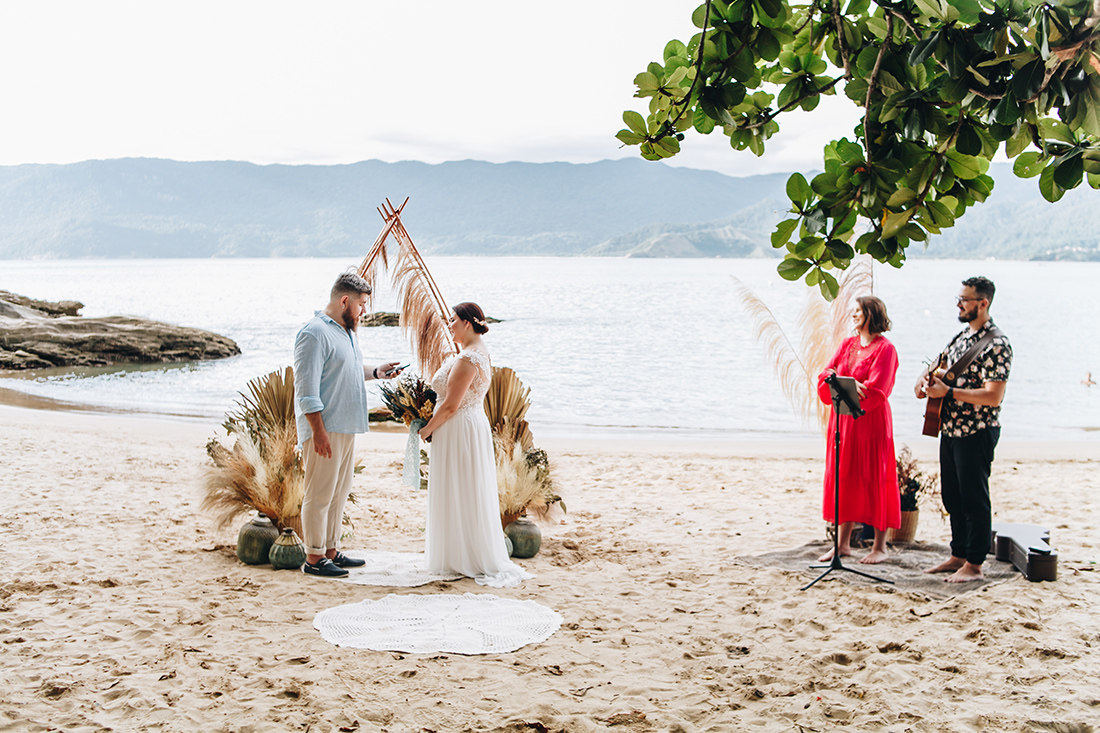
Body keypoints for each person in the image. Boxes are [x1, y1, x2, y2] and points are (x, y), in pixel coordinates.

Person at [294, 272, 402, 578]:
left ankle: (330, 550)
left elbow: (348, 371)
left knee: (339, 492)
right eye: (362, 304)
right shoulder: (313, 333)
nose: (364, 311)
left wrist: (377, 372)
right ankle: (314, 558)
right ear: (345, 301)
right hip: (325, 428)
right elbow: (306, 389)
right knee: (319, 494)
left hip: (347, 425)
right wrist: (318, 431)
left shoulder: (346, 332)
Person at [418, 302, 532, 588]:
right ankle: (459, 552)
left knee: (459, 488)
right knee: (463, 488)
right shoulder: (474, 352)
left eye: (453, 320)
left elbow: (450, 407)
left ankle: (463, 557)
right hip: (466, 426)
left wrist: (426, 430)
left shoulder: (469, 358)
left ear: (468, 323)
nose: (450, 325)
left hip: (458, 429)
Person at [916, 276, 1011, 583]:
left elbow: (993, 396)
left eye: (964, 299)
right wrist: (923, 380)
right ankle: (958, 553)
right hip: (951, 428)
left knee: (974, 498)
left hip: (977, 430)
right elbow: (938, 364)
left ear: (982, 303)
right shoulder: (960, 337)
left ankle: (975, 563)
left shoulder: (997, 344)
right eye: (958, 299)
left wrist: (950, 393)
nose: (958, 304)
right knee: (952, 496)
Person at [816, 295, 900, 564]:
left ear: (871, 314)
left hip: (871, 423)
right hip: (842, 422)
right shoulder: (847, 344)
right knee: (844, 478)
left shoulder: (885, 349)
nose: (853, 315)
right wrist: (842, 381)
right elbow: (827, 372)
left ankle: (880, 547)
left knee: (875, 477)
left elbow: (878, 389)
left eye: (858, 311)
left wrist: (846, 384)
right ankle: (842, 546)